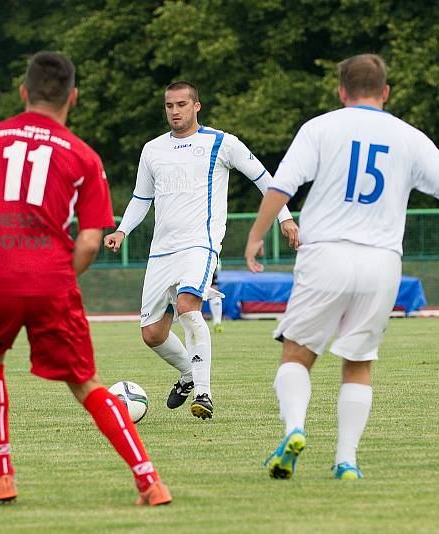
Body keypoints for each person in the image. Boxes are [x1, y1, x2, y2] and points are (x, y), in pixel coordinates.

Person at [244, 54, 439, 480]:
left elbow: (281, 185)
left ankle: (295, 428)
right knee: (358, 363)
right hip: (381, 263)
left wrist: (257, 235)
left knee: (297, 354)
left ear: (341, 91)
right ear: (386, 91)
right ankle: (346, 461)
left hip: (326, 256)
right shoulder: (409, 137)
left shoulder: (320, 127)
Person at [0, 51, 171, 506]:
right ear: (72, 97)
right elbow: (91, 242)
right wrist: (57, 276)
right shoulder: (84, 156)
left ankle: (3, 477)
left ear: (22, 92)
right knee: (85, 384)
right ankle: (149, 482)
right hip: (50, 279)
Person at [104, 81, 300, 420]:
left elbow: (263, 177)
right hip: (162, 250)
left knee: (187, 305)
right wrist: (122, 230)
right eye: (169, 105)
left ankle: (204, 393)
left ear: (197, 106)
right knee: (152, 334)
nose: (175, 111)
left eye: (182, 104)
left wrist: (285, 217)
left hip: (201, 242)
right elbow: (141, 198)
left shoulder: (221, 142)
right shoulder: (152, 149)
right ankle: (187, 375)